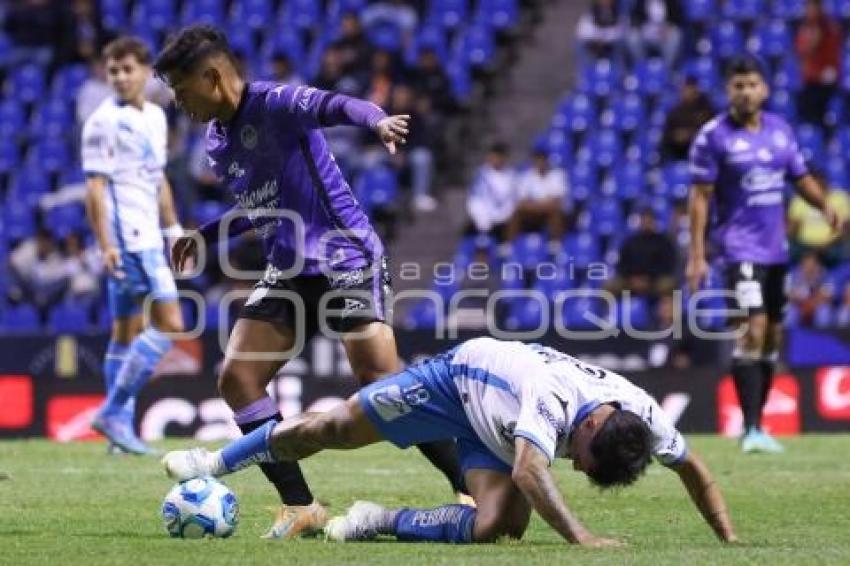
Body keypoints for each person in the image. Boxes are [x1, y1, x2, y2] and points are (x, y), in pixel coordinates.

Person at [153, 25, 465, 540]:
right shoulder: (216, 141)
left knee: (383, 385)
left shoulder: (274, 103)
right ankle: (300, 505)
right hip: (288, 268)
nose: (178, 102)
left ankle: (468, 484)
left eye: (182, 89)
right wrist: (206, 234)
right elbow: (261, 205)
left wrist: (378, 121)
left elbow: (339, 105)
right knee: (237, 378)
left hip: (344, 255)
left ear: (211, 77)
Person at [163, 337, 738, 546]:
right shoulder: (553, 398)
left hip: (498, 428)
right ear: (590, 427)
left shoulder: (645, 415)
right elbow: (531, 472)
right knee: (328, 430)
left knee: (498, 527)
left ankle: (375, 520)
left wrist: (727, 536)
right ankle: (214, 462)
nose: (582, 471)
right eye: (588, 463)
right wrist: (581, 537)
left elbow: (695, 469)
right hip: (454, 383)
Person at [686, 56, 842, 454]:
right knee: (752, 329)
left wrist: (824, 205)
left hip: (776, 253)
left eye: (752, 84)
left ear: (765, 89)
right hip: (738, 250)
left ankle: (758, 425)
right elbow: (700, 198)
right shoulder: (713, 137)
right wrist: (697, 255)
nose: (745, 92)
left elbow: (800, 177)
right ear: (728, 90)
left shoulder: (780, 131)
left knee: (772, 336)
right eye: (738, 85)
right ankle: (752, 427)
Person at [81, 37, 184, 455]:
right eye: (113, 71)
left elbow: (158, 179)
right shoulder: (102, 122)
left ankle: (117, 436)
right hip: (129, 240)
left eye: (127, 69)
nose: (120, 78)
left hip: (151, 234)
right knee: (171, 324)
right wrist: (105, 244)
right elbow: (94, 188)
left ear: (146, 72)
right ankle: (113, 412)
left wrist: (174, 229)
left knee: (125, 331)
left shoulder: (156, 117)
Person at [607, 208, 677, 300]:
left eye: (649, 220)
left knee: (668, 285)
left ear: (654, 222)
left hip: (655, 281)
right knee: (609, 286)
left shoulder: (663, 242)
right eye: (644, 220)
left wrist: (649, 278)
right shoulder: (631, 241)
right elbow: (622, 264)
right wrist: (632, 278)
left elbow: (668, 265)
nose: (646, 223)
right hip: (631, 281)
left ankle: (667, 309)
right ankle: (609, 310)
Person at [795, 0, 842, 128]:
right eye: (808, 8)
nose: (811, 11)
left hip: (825, 82)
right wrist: (813, 42)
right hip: (809, 81)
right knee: (807, 115)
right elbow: (802, 51)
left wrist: (830, 72)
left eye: (814, 7)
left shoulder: (830, 29)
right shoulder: (804, 30)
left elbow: (834, 55)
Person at [507, 149, 567, 247]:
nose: (540, 163)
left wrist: (535, 203)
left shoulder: (557, 175)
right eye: (538, 160)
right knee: (516, 212)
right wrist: (542, 203)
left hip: (548, 212)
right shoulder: (527, 177)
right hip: (532, 212)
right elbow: (521, 202)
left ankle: (555, 244)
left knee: (556, 212)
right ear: (534, 162)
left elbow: (556, 201)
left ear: (547, 161)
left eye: (543, 160)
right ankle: (510, 245)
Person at [465, 142, 516, 243]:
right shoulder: (481, 175)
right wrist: (482, 217)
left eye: (499, 157)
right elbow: (474, 200)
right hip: (484, 220)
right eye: (493, 157)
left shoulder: (512, 176)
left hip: (505, 220)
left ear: (504, 158)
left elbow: (513, 200)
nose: (496, 160)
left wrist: (503, 216)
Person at [661, 76, 715, 162]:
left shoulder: (706, 110)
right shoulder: (675, 112)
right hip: (678, 154)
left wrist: (689, 135)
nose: (686, 93)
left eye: (689, 90)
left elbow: (711, 134)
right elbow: (667, 136)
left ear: (696, 90)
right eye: (684, 90)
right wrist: (676, 137)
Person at [627, 0, 683, 68]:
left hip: (664, 33)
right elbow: (634, 18)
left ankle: (666, 69)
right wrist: (643, 28)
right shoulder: (641, 2)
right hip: (645, 33)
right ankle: (641, 67)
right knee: (632, 36)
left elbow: (677, 20)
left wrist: (668, 29)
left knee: (675, 35)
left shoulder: (671, 2)